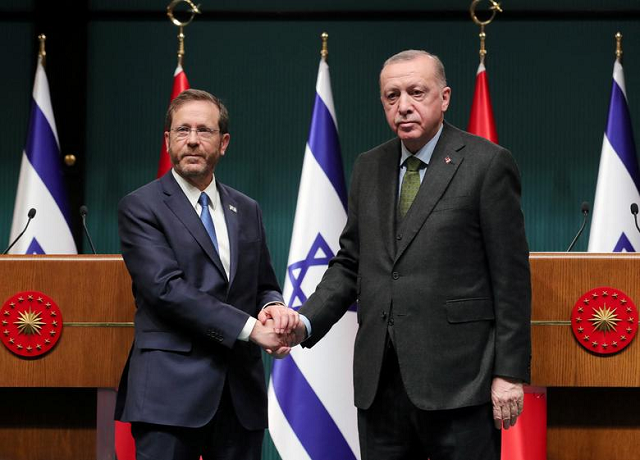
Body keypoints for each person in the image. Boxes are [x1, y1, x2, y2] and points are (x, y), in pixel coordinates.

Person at [263, 50, 531, 460]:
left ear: (444, 98)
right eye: (392, 96)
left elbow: (511, 279)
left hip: (460, 383)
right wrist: (304, 322)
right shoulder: (369, 166)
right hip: (380, 384)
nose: (403, 105)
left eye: (416, 92)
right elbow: (351, 262)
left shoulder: (487, 164)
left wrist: (509, 374)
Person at [115, 89, 298, 460]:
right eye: (182, 131)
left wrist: (274, 308)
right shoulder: (141, 206)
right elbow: (166, 290)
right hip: (169, 397)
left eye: (205, 131)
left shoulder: (247, 209)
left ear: (223, 142)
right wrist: (251, 329)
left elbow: (263, 284)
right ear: (168, 141)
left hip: (239, 397)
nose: (193, 140)